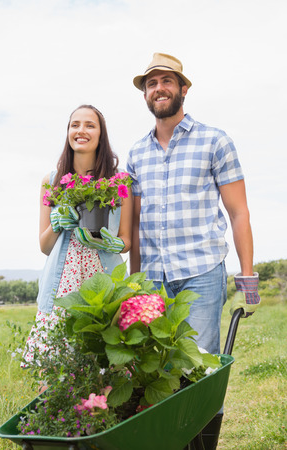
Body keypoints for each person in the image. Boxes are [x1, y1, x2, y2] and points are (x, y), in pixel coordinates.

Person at [127, 53, 260, 449]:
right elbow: (133, 224)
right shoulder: (136, 153)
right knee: (159, 369)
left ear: (183, 88)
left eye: (167, 81)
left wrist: (248, 279)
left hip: (201, 272)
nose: (159, 89)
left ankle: (202, 443)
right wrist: (136, 283)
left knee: (200, 368)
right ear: (145, 94)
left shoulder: (214, 140)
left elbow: (238, 212)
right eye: (151, 83)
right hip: (152, 276)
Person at [22, 104, 133, 368]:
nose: (81, 130)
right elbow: (44, 245)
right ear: (68, 132)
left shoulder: (118, 181)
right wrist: (58, 224)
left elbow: (126, 241)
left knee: (107, 364)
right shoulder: (51, 181)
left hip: (103, 279)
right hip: (62, 283)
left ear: (100, 135)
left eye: (90, 125)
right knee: (56, 367)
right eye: (75, 125)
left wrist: (113, 242)